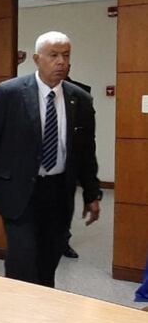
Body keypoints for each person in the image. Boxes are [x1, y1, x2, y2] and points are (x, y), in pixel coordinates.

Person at [0, 31, 101, 287]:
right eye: (53, 55)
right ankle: (18, 309)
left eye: (66, 55)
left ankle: (44, 307)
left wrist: (92, 194)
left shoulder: (80, 99)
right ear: (36, 59)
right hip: (19, 191)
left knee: (48, 260)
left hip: (58, 192)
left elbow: (86, 152)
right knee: (22, 262)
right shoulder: (10, 93)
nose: (61, 62)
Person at [61, 66, 93, 260]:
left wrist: (91, 189)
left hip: (70, 158)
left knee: (65, 204)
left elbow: (88, 137)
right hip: (40, 161)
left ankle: (63, 241)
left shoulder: (81, 93)